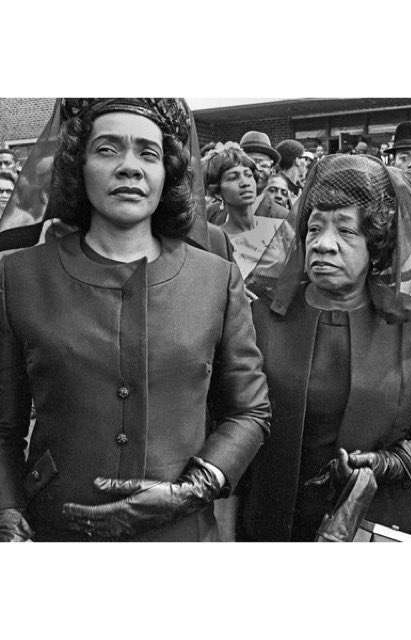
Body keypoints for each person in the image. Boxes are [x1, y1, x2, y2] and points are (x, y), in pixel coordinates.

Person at [0, 98, 271, 542]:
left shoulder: (215, 278)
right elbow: (4, 426)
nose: (130, 167)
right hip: (53, 531)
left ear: (168, 172)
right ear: (77, 163)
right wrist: (7, 511)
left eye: (148, 153)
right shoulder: (20, 277)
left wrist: (193, 489)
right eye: (108, 149)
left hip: (180, 534)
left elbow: (249, 410)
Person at [238, 154, 411, 541]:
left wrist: (399, 460)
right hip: (271, 517)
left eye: (345, 231)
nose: (324, 244)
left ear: (376, 245)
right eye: (314, 229)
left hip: (377, 521)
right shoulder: (261, 316)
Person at [204, 145, 288, 281]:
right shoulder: (217, 242)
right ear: (218, 191)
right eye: (233, 178)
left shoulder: (280, 228)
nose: (245, 183)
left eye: (248, 175)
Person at [239, 130, 281, 197]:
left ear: (271, 172)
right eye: (251, 163)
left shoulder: (278, 206)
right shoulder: (221, 206)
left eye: (264, 165)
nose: (258, 169)